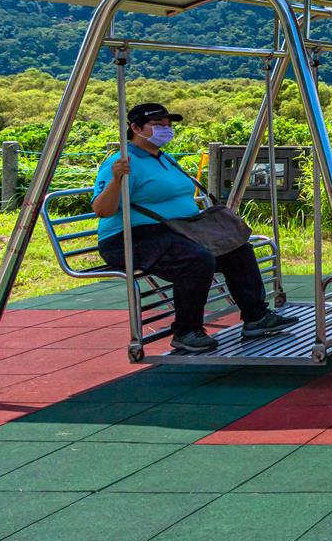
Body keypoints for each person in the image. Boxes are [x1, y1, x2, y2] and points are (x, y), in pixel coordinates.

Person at [93, 101, 291, 355]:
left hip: (177, 230)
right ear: (136, 128)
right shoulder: (122, 163)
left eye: (168, 125)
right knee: (195, 260)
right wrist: (117, 178)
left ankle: (256, 316)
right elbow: (103, 210)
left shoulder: (164, 158)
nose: (166, 130)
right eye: (158, 125)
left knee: (237, 250)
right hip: (131, 237)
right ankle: (186, 331)